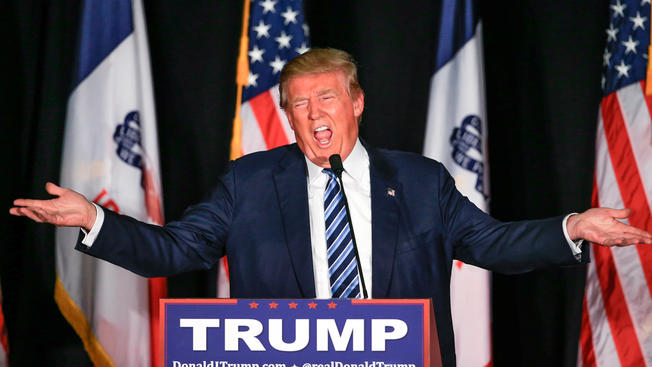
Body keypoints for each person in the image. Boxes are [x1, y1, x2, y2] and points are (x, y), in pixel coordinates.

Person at [10, 48, 652, 366]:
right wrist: (94, 220)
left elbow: (491, 244)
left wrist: (573, 226)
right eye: (299, 103)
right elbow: (177, 250)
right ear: (286, 115)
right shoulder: (250, 182)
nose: (315, 115)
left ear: (357, 103)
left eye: (327, 99)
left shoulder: (421, 180)